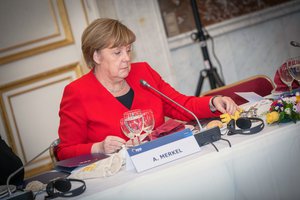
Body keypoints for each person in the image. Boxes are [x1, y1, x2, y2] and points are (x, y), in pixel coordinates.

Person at [57, 18, 239, 160]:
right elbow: (64, 152)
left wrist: (213, 103)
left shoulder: (143, 72)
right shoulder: (77, 92)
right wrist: (98, 148)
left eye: (128, 50)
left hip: (166, 159)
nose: (127, 58)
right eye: (117, 52)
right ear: (96, 56)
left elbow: (180, 105)